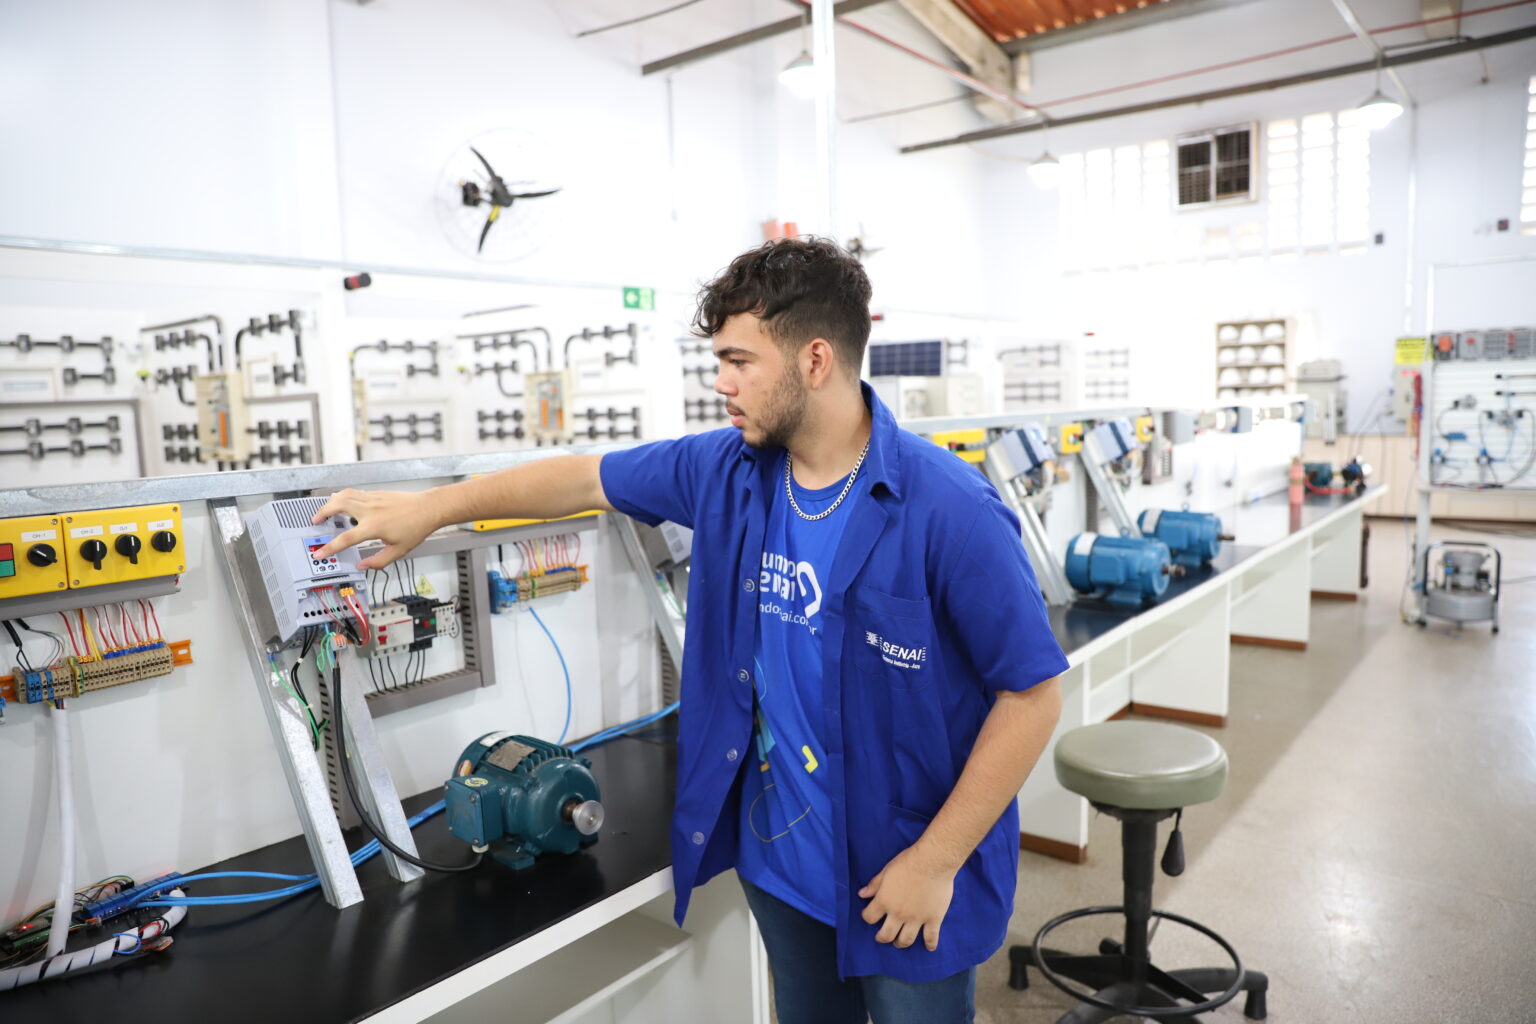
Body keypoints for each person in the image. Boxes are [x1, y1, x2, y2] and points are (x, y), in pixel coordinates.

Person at [311, 237, 1067, 1024]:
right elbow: (583, 477)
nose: (721, 383)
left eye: (740, 361)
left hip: (905, 873)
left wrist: (937, 862)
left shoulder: (951, 511)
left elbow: (1033, 696)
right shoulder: (728, 472)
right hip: (783, 866)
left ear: (814, 360)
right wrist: (432, 508)